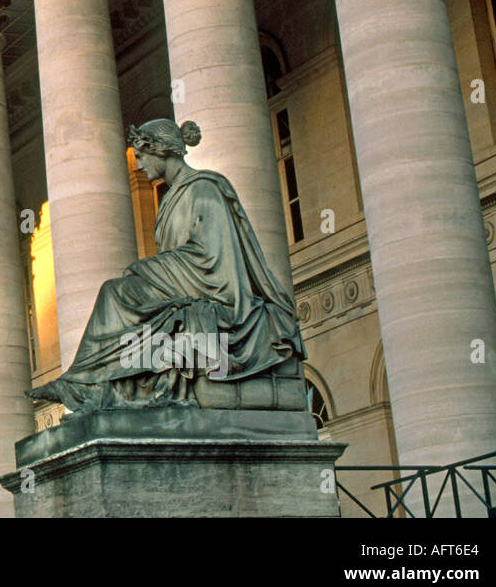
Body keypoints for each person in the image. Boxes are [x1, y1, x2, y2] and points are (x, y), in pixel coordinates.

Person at [28, 118, 305, 411]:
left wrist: (148, 270)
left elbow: (213, 258)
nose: (140, 165)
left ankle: (82, 382)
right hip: (185, 288)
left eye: (143, 156)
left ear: (161, 150)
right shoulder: (171, 198)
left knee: (116, 292)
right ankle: (103, 385)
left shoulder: (204, 189)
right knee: (128, 301)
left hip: (219, 292)